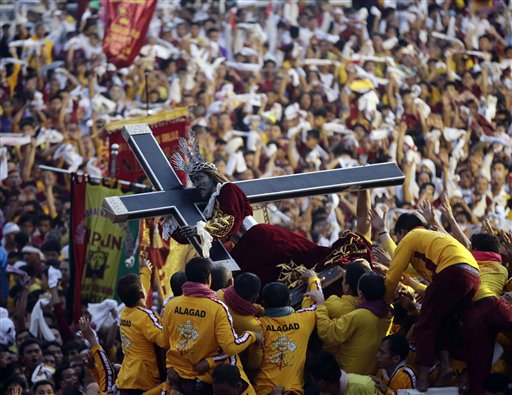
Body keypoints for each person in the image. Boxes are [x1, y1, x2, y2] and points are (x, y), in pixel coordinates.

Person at [170, 138, 371, 285]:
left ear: (212, 176)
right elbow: (198, 233)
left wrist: (200, 229)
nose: (197, 185)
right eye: (193, 181)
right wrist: (179, 228)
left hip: (261, 240)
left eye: (200, 179)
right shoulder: (208, 205)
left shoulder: (227, 189)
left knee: (310, 260)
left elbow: (230, 221)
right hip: (248, 249)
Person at [384, 213, 481, 392]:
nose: (398, 243)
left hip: (453, 272)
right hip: (474, 276)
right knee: (444, 321)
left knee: (424, 325)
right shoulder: (433, 237)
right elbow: (418, 272)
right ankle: (446, 369)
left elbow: (392, 278)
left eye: (397, 238)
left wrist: (384, 306)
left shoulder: (411, 236)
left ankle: (422, 378)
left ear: (403, 232)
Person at [162, 257, 259, 394]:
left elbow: (165, 342)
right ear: (209, 278)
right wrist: (252, 336)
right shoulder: (217, 308)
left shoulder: (171, 306)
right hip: (202, 382)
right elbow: (230, 347)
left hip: (176, 378)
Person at [308, 271, 392, 375]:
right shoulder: (388, 314)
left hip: (348, 377)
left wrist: (321, 304)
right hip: (369, 373)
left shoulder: (361, 315)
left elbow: (328, 333)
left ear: (360, 294)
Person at [253, 275, 318, 395]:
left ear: (263, 303)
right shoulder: (304, 319)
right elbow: (317, 303)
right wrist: (313, 279)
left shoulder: (257, 325)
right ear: (289, 302)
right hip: (294, 391)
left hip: (263, 390)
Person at [115, 272, 168, 393]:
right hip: (144, 380)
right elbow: (164, 342)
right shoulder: (145, 317)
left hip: (126, 379)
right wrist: (165, 319)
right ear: (141, 294)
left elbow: (139, 289)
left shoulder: (124, 314)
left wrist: (146, 270)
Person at [307, 351, 378, 394]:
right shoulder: (325, 391)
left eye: (312, 380)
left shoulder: (365, 386)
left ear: (321, 383)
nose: (312, 384)